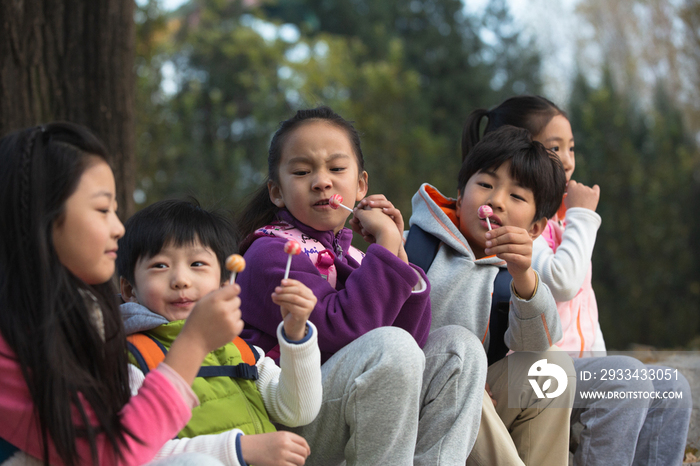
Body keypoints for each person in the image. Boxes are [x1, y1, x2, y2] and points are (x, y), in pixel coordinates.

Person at [235, 106, 488, 465]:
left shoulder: (351, 253)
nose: (322, 181)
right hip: (291, 420)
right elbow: (340, 331)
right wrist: (385, 241)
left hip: (341, 402)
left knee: (459, 348)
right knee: (391, 347)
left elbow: (411, 343)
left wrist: (396, 253)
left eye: (337, 169)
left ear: (361, 185)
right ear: (276, 192)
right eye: (303, 171)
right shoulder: (272, 252)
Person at [462, 95, 692, 466]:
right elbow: (562, 281)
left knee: (672, 386)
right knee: (626, 379)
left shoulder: (556, 226)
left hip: (584, 367)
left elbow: (586, 314)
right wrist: (584, 218)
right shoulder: (517, 229)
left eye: (571, 147)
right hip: (538, 371)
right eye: (554, 148)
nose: (567, 159)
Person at [0, 123, 240, 465]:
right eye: (102, 210)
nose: (119, 228)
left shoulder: (86, 316)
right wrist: (194, 343)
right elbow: (108, 453)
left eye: (115, 210)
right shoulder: (12, 339)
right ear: (42, 216)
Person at [407, 125, 576, 466]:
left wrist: (524, 277)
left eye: (516, 196)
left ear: (535, 229)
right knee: (461, 367)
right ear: (460, 192)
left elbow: (535, 344)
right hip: (414, 389)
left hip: (482, 399)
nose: (495, 201)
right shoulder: (413, 244)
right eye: (484, 184)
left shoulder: (513, 276)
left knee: (554, 367)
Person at [116, 198, 322, 466]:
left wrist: (296, 336)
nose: (180, 280)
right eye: (160, 266)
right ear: (129, 290)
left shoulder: (241, 350)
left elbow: (298, 411)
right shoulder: (129, 358)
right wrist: (238, 449)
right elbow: (132, 452)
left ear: (225, 281)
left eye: (197, 264)